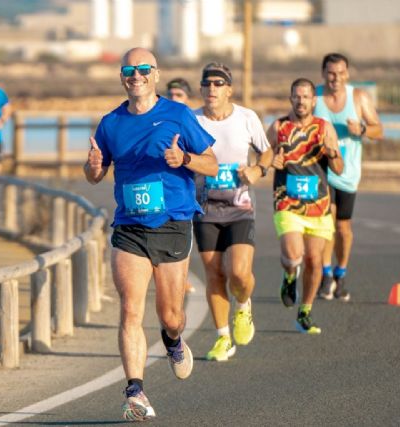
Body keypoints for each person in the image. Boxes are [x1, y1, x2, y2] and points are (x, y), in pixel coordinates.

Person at [85, 47, 217, 421]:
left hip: (173, 224)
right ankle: (135, 392)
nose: (136, 74)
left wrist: (185, 160)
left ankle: (173, 340)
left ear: (156, 75)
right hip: (130, 228)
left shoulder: (177, 115)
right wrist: (92, 166)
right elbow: (95, 173)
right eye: (130, 69)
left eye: (144, 68)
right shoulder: (110, 123)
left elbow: (212, 162)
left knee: (171, 315)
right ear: (122, 76)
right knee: (130, 309)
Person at [192, 63, 273, 361]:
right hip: (204, 209)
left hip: (239, 208)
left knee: (239, 274)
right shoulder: (192, 119)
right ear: (201, 89)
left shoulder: (246, 117)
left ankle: (243, 304)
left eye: (218, 83)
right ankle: (223, 338)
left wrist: (258, 168)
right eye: (206, 84)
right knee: (214, 273)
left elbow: (267, 151)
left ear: (229, 89)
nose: (211, 89)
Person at [266, 78, 343, 334]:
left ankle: (305, 312)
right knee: (294, 254)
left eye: (306, 96)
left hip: (319, 205)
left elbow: (339, 168)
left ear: (313, 100)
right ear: (291, 98)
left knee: (314, 261)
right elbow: (263, 159)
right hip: (287, 202)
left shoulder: (324, 128)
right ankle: (289, 276)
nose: (301, 101)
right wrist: (271, 162)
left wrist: (332, 154)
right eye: (296, 96)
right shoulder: (278, 127)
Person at [313, 53, 384, 301]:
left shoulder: (358, 98)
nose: (336, 78)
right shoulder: (315, 97)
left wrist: (362, 129)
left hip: (348, 173)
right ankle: (326, 275)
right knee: (326, 224)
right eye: (331, 73)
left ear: (347, 74)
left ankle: (340, 273)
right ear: (324, 74)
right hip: (321, 172)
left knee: (343, 228)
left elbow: (379, 130)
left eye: (341, 72)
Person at [165, 77, 196, 294]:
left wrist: (185, 158)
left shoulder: (192, 120)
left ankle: (182, 276)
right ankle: (177, 278)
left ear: (188, 98)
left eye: (179, 95)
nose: (174, 99)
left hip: (196, 189)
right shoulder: (161, 119)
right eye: (171, 95)